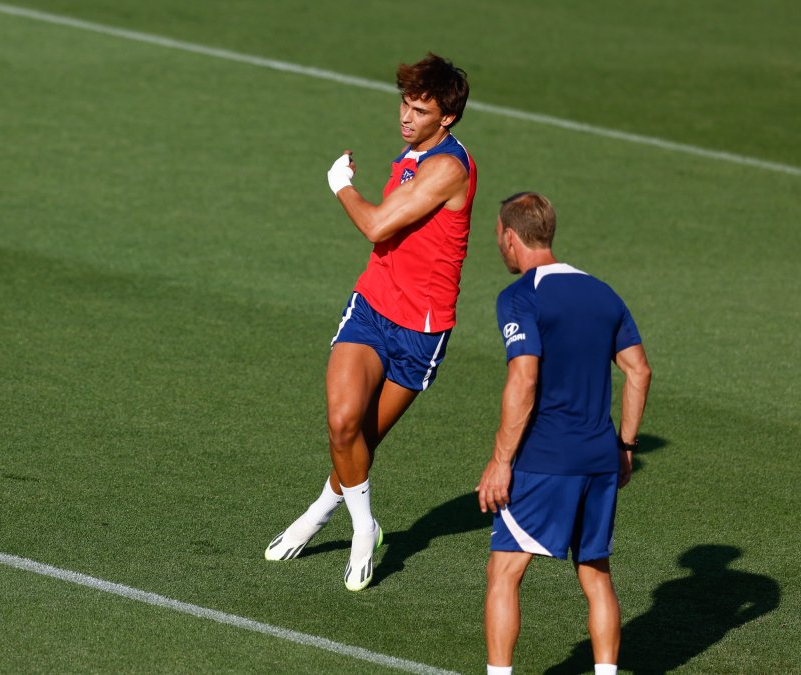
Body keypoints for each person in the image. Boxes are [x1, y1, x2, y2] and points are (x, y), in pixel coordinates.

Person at [265, 53, 476, 592]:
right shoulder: (413, 151)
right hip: (373, 306)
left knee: (365, 438)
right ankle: (364, 528)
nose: (406, 116)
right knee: (342, 423)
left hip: (421, 330)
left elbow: (378, 223)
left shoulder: (448, 167)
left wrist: (340, 185)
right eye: (405, 103)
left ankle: (318, 510)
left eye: (420, 109)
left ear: (446, 118)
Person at [475, 192, 652, 675]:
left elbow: (524, 378)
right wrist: (626, 447)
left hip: (545, 458)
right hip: (598, 458)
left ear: (511, 239)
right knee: (595, 575)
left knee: (504, 572)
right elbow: (638, 372)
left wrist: (501, 460)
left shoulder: (521, 296)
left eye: (498, 238)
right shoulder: (603, 293)